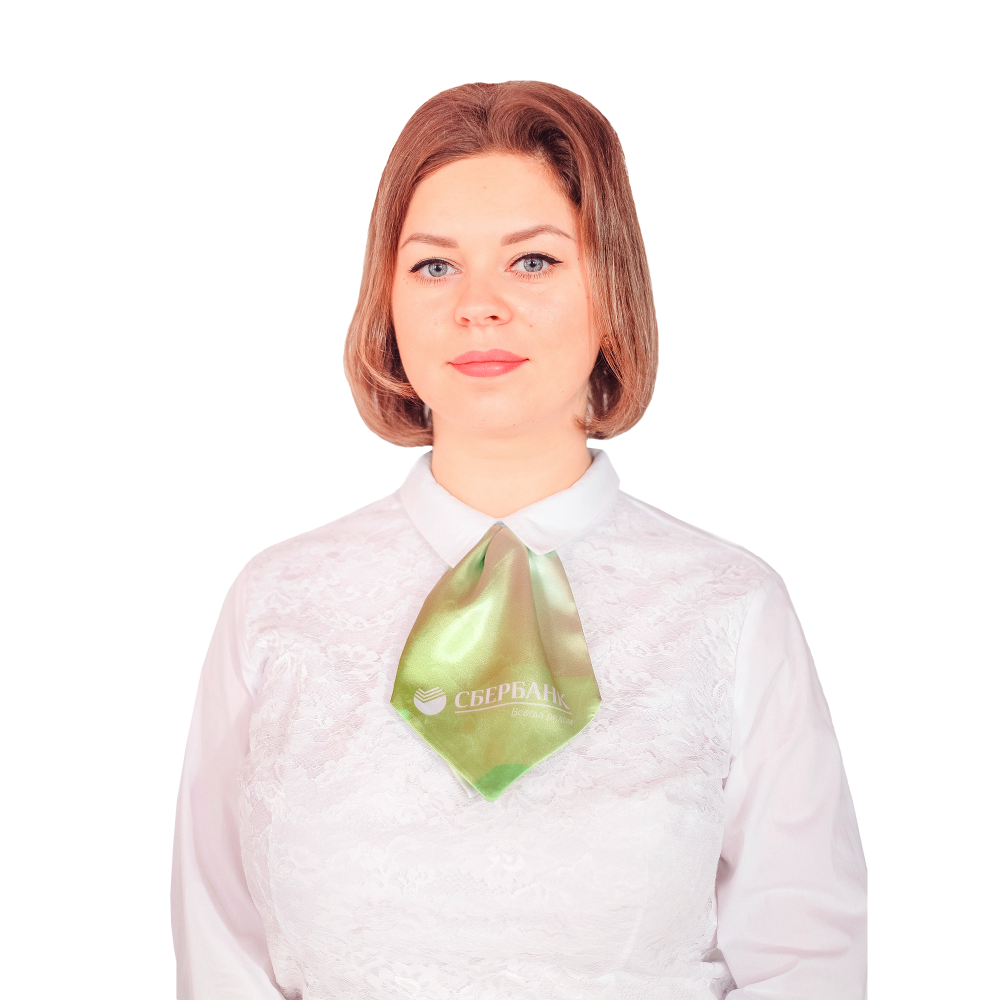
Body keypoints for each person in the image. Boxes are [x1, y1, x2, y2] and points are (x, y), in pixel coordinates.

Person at [171, 80, 866, 999]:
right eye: (434, 266)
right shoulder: (277, 603)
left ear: (610, 290)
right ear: (388, 300)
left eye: (532, 261)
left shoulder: (730, 608)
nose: (479, 305)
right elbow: (219, 945)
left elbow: (804, 956)